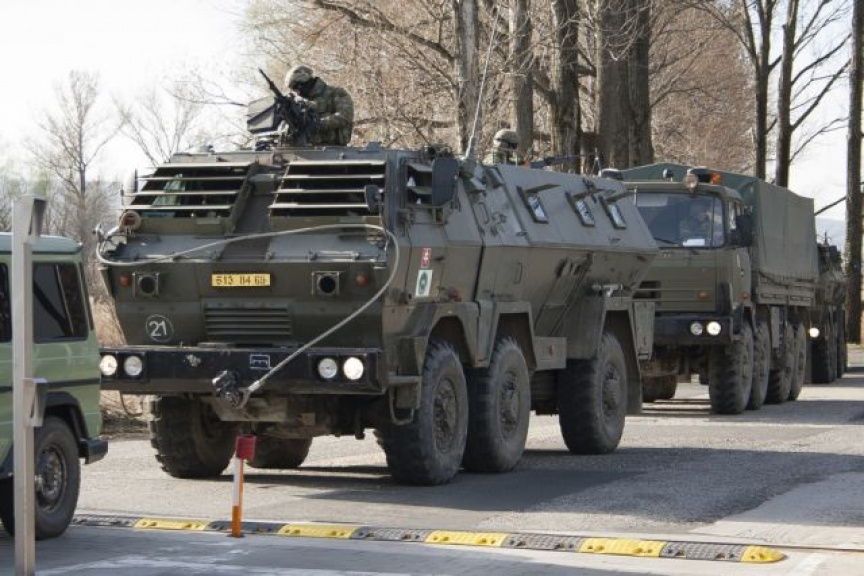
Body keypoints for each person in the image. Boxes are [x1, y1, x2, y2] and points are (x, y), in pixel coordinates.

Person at [283, 65, 354, 146]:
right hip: (304, 148)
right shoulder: (298, 101)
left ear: (306, 82)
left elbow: (345, 117)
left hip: (333, 148)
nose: (297, 92)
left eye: (297, 87)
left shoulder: (336, 93)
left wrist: (316, 124)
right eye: (294, 89)